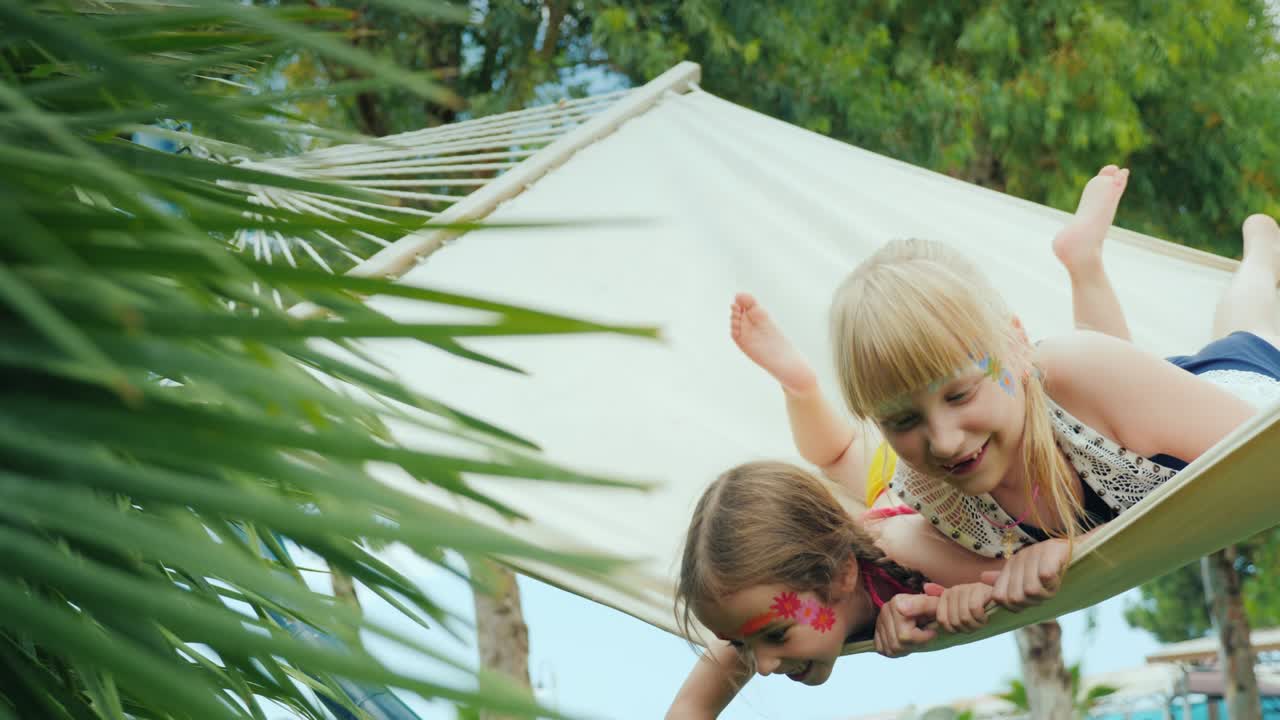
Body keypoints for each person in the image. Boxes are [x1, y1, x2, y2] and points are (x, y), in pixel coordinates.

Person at [665, 165, 1280, 718]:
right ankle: (1088, 260)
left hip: (1236, 411)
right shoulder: (927, 494)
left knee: (1249, 327)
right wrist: (951, 602)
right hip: (1115, 455)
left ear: (1016, 343)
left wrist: (1064, 553)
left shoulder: (1073, 373)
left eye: (959, 395)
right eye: (901, 422)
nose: (943, 439)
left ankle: (1256, 253)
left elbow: (1257, 453)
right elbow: (736, 643)